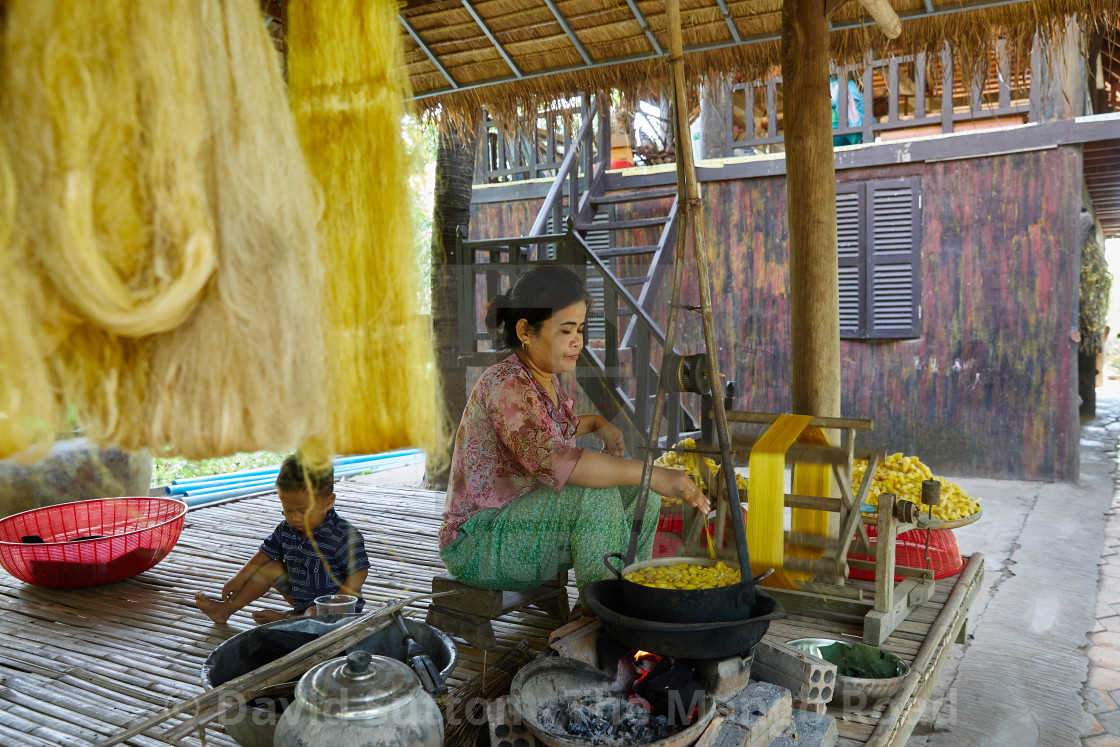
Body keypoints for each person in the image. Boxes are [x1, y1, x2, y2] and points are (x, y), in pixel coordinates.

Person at [438, 264, 709, 614]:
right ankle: (600, 615)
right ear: (525, 331)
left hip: (521, 526)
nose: (577, 340)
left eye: (580, 329)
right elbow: (560, 462)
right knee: (593, 495)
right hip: (478, 543)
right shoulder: (507, 386)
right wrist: (653, 472)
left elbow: (551, 430)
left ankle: (629, 596)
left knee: (643, 495)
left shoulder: (543, 378)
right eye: (566, 330)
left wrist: (597, 423)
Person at [195, 454, 370, 624]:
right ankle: (224, 611)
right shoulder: (286, 529)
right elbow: (266, 553)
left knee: (314, 615)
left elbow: (359, 571)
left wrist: (336, 602)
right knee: (270, 567)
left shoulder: (342, 534)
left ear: (328, 501)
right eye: (288, 509)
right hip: (301, 598)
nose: (295, 518)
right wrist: (239, 578)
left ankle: (288, 619)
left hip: (336, 609)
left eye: (303, 511)